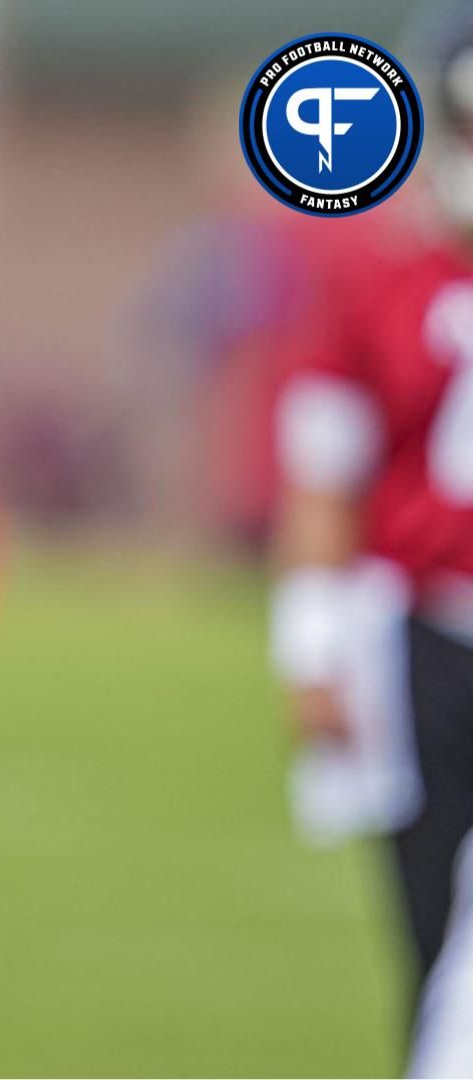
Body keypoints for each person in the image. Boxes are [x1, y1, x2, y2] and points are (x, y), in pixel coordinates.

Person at [267, 10, 473, 1073]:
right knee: (434, 933)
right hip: (422, 636)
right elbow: (322, 476)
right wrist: (310, 644)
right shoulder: (379, 280)